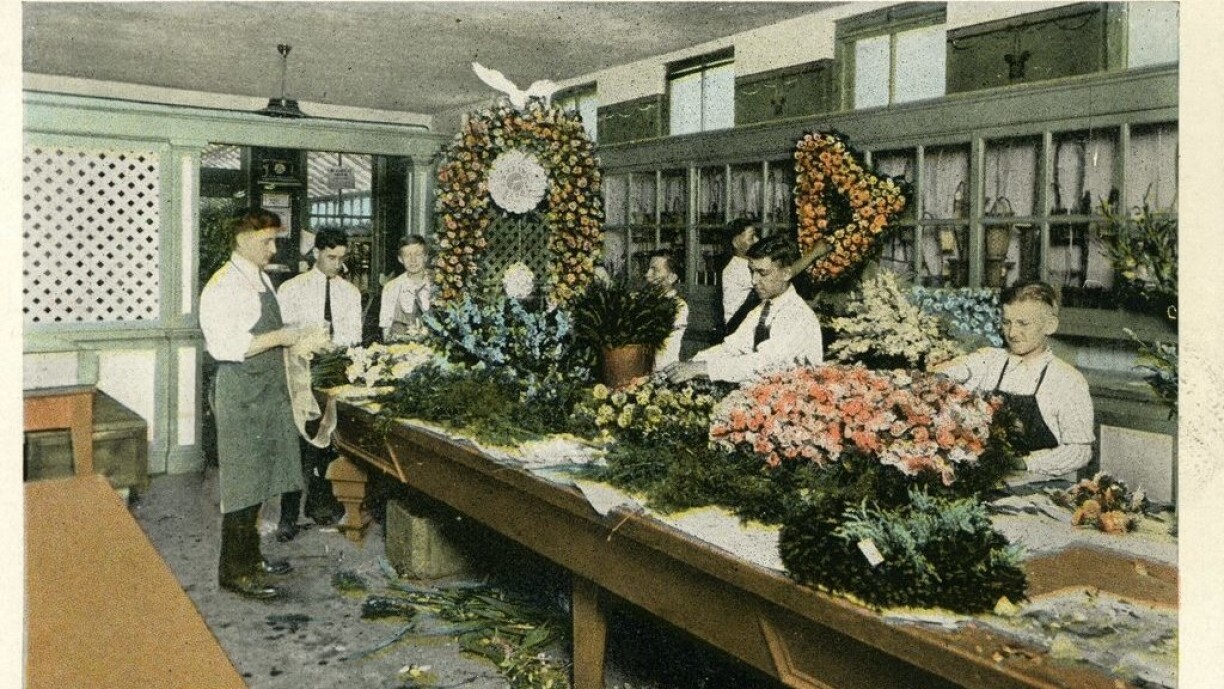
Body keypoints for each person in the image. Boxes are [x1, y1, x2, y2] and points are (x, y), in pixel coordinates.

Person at [199, 209, 311, 600]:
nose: (273, 247)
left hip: (266, 388)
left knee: (263, 476)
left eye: (274, 239)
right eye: (267, 240)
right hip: (242, 392)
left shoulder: (258, 277)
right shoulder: (224, 286)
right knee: (243, 484)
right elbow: (226, 346)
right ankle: (235, 571)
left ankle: (252, 556)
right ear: (243, 239)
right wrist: (283, 336)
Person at [934, 281, 1094, 479]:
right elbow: (949, 372)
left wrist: (1025, 463)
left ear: (1050, 325)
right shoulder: (990, 360)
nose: (1012, 333)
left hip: (1040, 484)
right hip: (986, 479)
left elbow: (1079, 451)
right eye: (1006, 322)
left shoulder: (1068, 381)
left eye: (1023, 324)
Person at [273, 227, 355, 540]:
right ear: (317, 253)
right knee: (296, 443)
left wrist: (337, 347)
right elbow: (284, 332)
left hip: (332, 372)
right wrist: (310, 342)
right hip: (298, 372)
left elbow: (353, 336)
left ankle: (320, 505)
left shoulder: (350, 292)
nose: (336, 263)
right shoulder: (293, 289)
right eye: (331, 256)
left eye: (341, 258)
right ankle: (288, 515)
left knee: (329, 438)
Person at [666, 234, 823, 384]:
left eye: (762, 273)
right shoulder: (763, 308)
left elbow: (765, 363)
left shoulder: (797, 315)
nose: (754, 281)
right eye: (752, 271)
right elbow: (732, 347)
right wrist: (693, 362)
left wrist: (702, 368)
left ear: (787, 273)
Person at [379, 235, 433, 341]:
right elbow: (386, 329)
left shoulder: (437, 284)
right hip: (401, 351)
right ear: (400, 259)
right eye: (407, 255)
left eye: (418, 254)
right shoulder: (391, 287)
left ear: (426, 256)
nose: (413, 260)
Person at [644, 249, 688, 370]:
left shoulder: (679, 305)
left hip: (662, 372)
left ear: (672, 277)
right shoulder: (645, 301)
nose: (647, 275)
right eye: (648, 269)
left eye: (655, 270)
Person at [720, 218, 758, 336]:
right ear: (736, 243)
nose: (757, 240)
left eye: (756, 236)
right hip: (737, 329)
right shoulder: (736, 269)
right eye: (751, 238)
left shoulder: (748, 265)